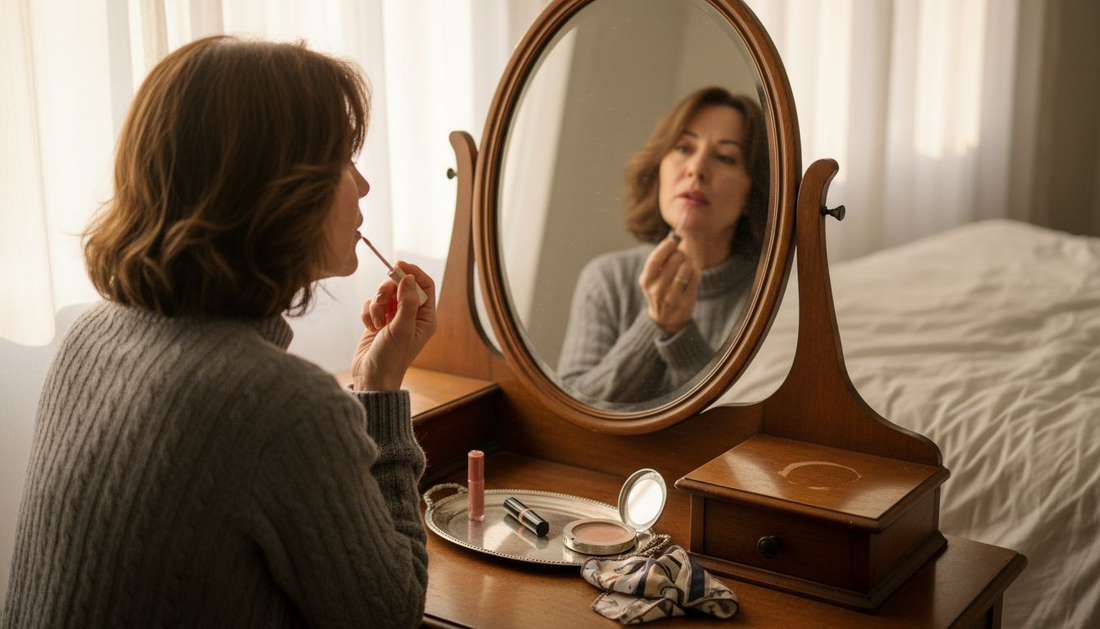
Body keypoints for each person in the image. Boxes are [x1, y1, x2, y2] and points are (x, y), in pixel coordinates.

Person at [2, 36, 435, 628]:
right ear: (277, 187)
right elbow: (392, 615)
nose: (362, 186)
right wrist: (380, 396)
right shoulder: (286, 408)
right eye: (343, 160)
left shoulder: (91, 335)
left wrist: (370, 374)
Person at [557, 87, 768, 404]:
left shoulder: (769, 294)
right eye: (683, 148)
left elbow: (739, 422)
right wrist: (654, 323)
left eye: (726, 157)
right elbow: (578, 409)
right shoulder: (607, 278)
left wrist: (680, 333)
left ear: (753, 193)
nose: (696, 169)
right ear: (658, 170)